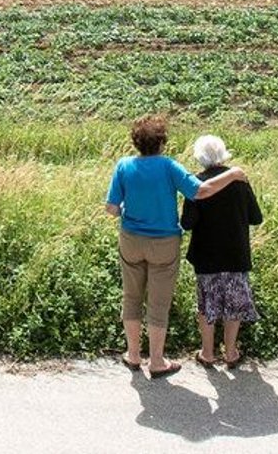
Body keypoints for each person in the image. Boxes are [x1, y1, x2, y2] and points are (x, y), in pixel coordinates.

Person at [106, 115, 249, 377]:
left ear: (136, 142)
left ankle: (133, 355)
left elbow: (112, 209)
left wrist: (128, 210)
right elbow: (201, 191)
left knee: (131, 297)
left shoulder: (123, 166)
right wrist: (233, 174)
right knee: (158, 304)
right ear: (162, 143)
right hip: (164, 243)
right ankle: (157, 361)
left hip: (131, 240)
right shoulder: (169, 166)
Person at [181, 134, 263, 368]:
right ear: (223, 154)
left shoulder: (197, 184)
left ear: (200, 157)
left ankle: (207, 353)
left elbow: (187, 223)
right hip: (236, 253)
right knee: (233, 305)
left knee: (207, 303)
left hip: (206, 254)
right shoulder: (239, 181)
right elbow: (256, 217)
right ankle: (231, 352)